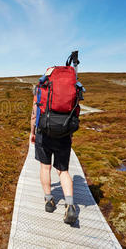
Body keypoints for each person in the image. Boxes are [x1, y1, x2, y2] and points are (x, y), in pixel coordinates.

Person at [29, 88, 77, 225]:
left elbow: (34, 114)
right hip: (63, 135)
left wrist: (32, 132)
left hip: (44, 133)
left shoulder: (41, 88)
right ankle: (70, 205)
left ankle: (49, 201)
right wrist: (70, 134)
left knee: (45, 167)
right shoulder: (70, 89)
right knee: (63, 171)